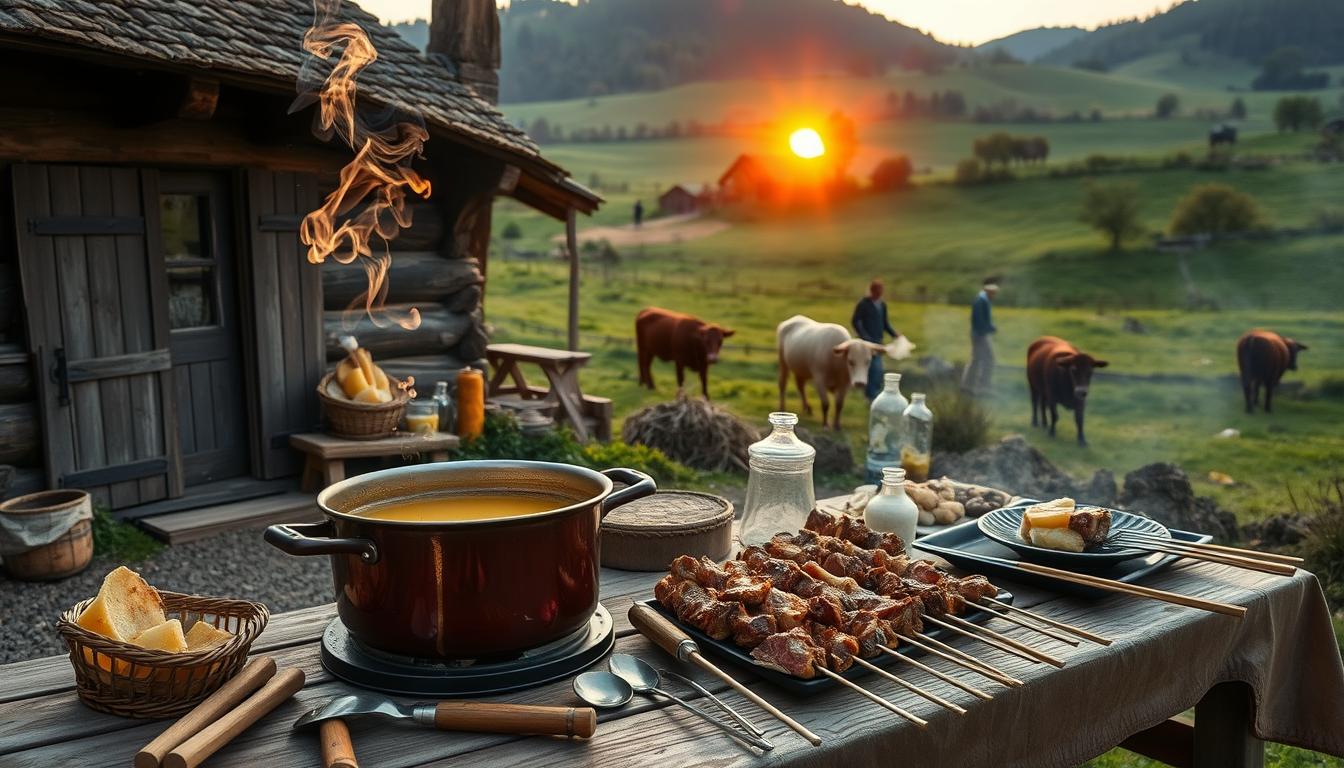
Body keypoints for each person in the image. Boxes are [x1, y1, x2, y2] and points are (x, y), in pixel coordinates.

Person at [851, 279, 898, 401]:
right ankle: (871, 395)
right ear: (871, 290)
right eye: (877, 290)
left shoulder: (882, 305)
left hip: (878, 342)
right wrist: (864, 336)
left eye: (881, 290)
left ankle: (873, 393)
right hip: (866, 343)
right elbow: (855, 321)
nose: (879, 293)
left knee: (877, 369)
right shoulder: (863, 304)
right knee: (872, 368)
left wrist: (894, 335)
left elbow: (885, 323)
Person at [962, 281, 998, 396]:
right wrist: (990, 328)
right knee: (988, 359)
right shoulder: (981, 301)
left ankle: (968, 385)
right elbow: (979, 320)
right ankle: (982, 386)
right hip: (980, 335)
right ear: (989, 291)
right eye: (993, 293)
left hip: (978, 334)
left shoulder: (981, 299)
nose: (994, 295)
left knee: (976, 359)